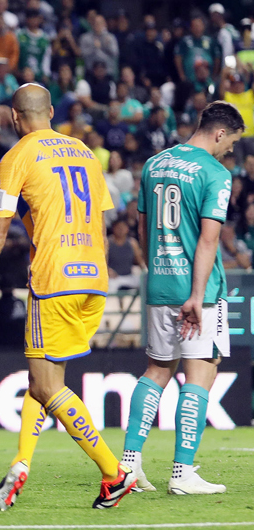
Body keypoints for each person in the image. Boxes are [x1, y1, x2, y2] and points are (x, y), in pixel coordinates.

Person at [0, 84, 135, 509]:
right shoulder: (86, 152)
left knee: (47, 386)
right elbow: (103, 221)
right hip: (93, 277)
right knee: (47, 382)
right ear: (51, 111)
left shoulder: (16, 156)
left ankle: (114, 473)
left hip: (54, 277)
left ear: (15, 118)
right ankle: (21, 463)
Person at [121, 101, 244, 495]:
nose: (230, 152)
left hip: (159, 283)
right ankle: (183, 473)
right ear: (220, 133)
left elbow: (142, 227)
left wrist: (157, 273)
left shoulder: (154, 164)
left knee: (156, 370)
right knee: (202, 371)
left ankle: (128, 464)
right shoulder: (215, 174)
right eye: (232, 142)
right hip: (199, 292)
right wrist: (195, 295)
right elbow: (209, 241)